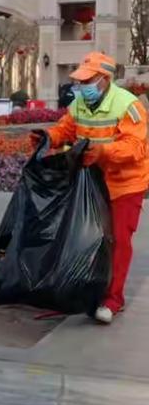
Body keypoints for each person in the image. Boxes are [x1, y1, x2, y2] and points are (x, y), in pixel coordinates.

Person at [31, 52, 149, 324]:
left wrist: (103, 153)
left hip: (125, 184)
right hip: (93, 183)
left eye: (88, 80)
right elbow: (66, 129)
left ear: (105, 79)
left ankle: (113, 300)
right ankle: (87, 292)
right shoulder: (80, 104)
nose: (82, 85)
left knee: (118, 240)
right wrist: (48, 137)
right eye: (80, 80)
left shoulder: (128, 106)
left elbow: (135, 147)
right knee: (87, 238)